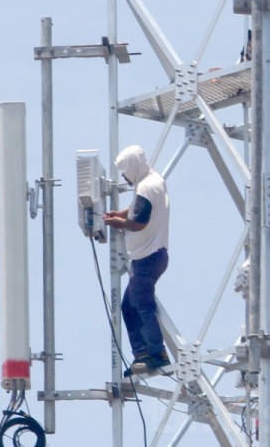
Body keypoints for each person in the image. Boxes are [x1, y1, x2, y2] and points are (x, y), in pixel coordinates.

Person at [104, 145, 171, 375]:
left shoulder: (145, 187)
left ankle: (156, 354)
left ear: (133, 166)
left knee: (141, 305)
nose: (124, 176)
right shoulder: (153, 180)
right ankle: (142, 353)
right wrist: (120, 214)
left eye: (124, 170)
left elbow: (140, 222)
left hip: (147, 259)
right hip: (154, 256)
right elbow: (137, 209)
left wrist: (118, 223)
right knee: (129, 305)